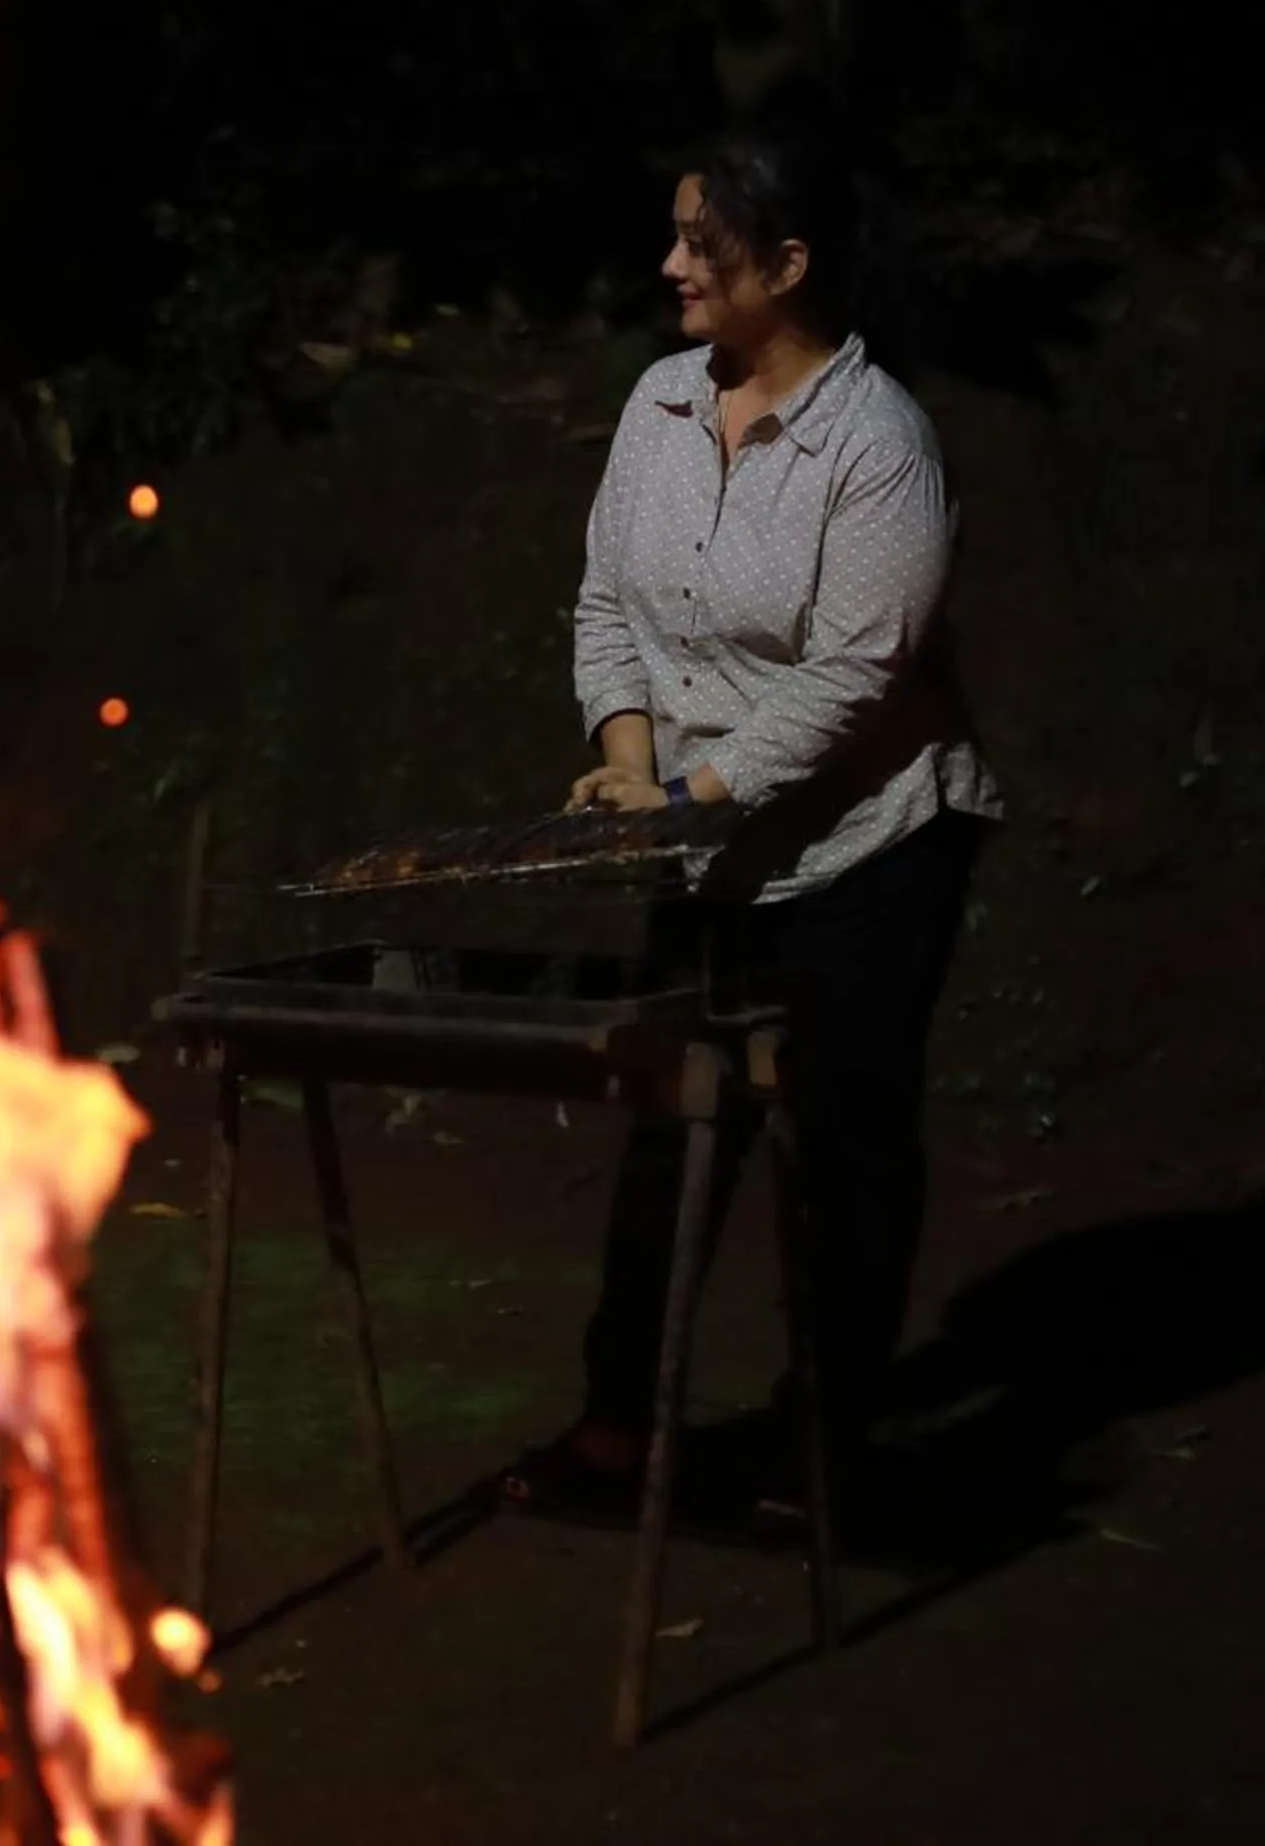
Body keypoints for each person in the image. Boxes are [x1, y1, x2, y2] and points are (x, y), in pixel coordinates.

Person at [502, 114, 1004, 1528]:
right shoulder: (659, 406)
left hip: (867, 843)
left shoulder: (880, 443)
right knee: (673, 1124)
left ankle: (830, 1441)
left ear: (788, 265)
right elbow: (608, 603)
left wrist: (689, 796)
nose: (669, 266)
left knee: (842, 1142)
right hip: (701, 834)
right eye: (673, 235)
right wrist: (628, 761)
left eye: (701, 246)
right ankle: (616, 1424)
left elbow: (857, 677)